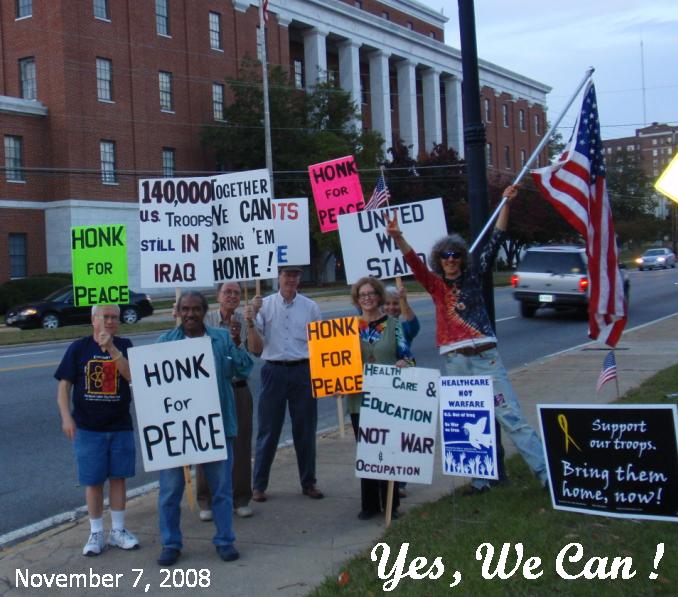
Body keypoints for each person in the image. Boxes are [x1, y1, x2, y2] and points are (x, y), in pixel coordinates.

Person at [386, 185, 548, 495]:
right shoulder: (434, 285)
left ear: (462, 258)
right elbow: (413, 262)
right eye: (445, 255)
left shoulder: (475, 277)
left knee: (511, 417)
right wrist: (397, 237)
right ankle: (479, 481)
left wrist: (506, 204)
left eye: (455, 255)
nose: (450, 260)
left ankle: (546, 475)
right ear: (439, 259)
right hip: (455, 362)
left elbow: (496, 237)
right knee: (467, 421)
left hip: (486, 358)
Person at [155, 291, 253, 566]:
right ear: (178, 311)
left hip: (216, 427)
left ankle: (225, 540)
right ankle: (171, 543)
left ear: (204, 311)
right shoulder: (164, 343)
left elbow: (244, 371)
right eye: (185, 309)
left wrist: (236, 344)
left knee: (222, 489)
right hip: (177, 431)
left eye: (196, 309)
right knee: (170, 492)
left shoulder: (220, 339)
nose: (190, 314)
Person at [55, 304, 139, 557]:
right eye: (105, 317)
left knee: (118, 478)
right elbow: (63, 388)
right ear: (94, 320)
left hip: (119, 425)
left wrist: (111, 348)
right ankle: (96, 532)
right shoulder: (78, 348)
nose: (110, 321)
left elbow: (131, 375)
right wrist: (66, 418)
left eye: (115, 317)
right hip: (88, 427)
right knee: (92, 481)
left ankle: (119, 530)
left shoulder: (125, 345)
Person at [249, 265, 324, 501]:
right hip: (274, 371)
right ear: (278, 277)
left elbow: (320, 344)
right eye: (286, 275)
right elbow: (255, 346)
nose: (290, 279)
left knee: (305, 429)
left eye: (295, 275)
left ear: (299, 278)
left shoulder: (310, 307)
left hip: (303, 370)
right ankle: (259, 485)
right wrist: (251, 318)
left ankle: (308, 482)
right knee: (268, 430)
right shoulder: (265, 305)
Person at [348, 277, 414, 519]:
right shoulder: (349, 328)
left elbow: (409, 356)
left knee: (388, 451)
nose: (366, 298)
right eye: (362, 295)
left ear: (379, 296)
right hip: (359, 398)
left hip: (388, 399)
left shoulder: (394, 325)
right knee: (366, 450)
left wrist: (404, 362)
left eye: (371, 294)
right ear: (357, 299)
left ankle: (390, 503)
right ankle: (369, 505)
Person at [196, 281, 262, 521]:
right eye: (227, 292)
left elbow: (257, 351)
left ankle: (241, 498)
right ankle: (207, 500)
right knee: (208, 444)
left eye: (236, 292)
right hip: (211, 389)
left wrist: (250, 324)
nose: (232, 296)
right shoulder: (206, 320)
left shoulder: (246, 320)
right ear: (218, 296)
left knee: (241, 445)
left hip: (238, 389)